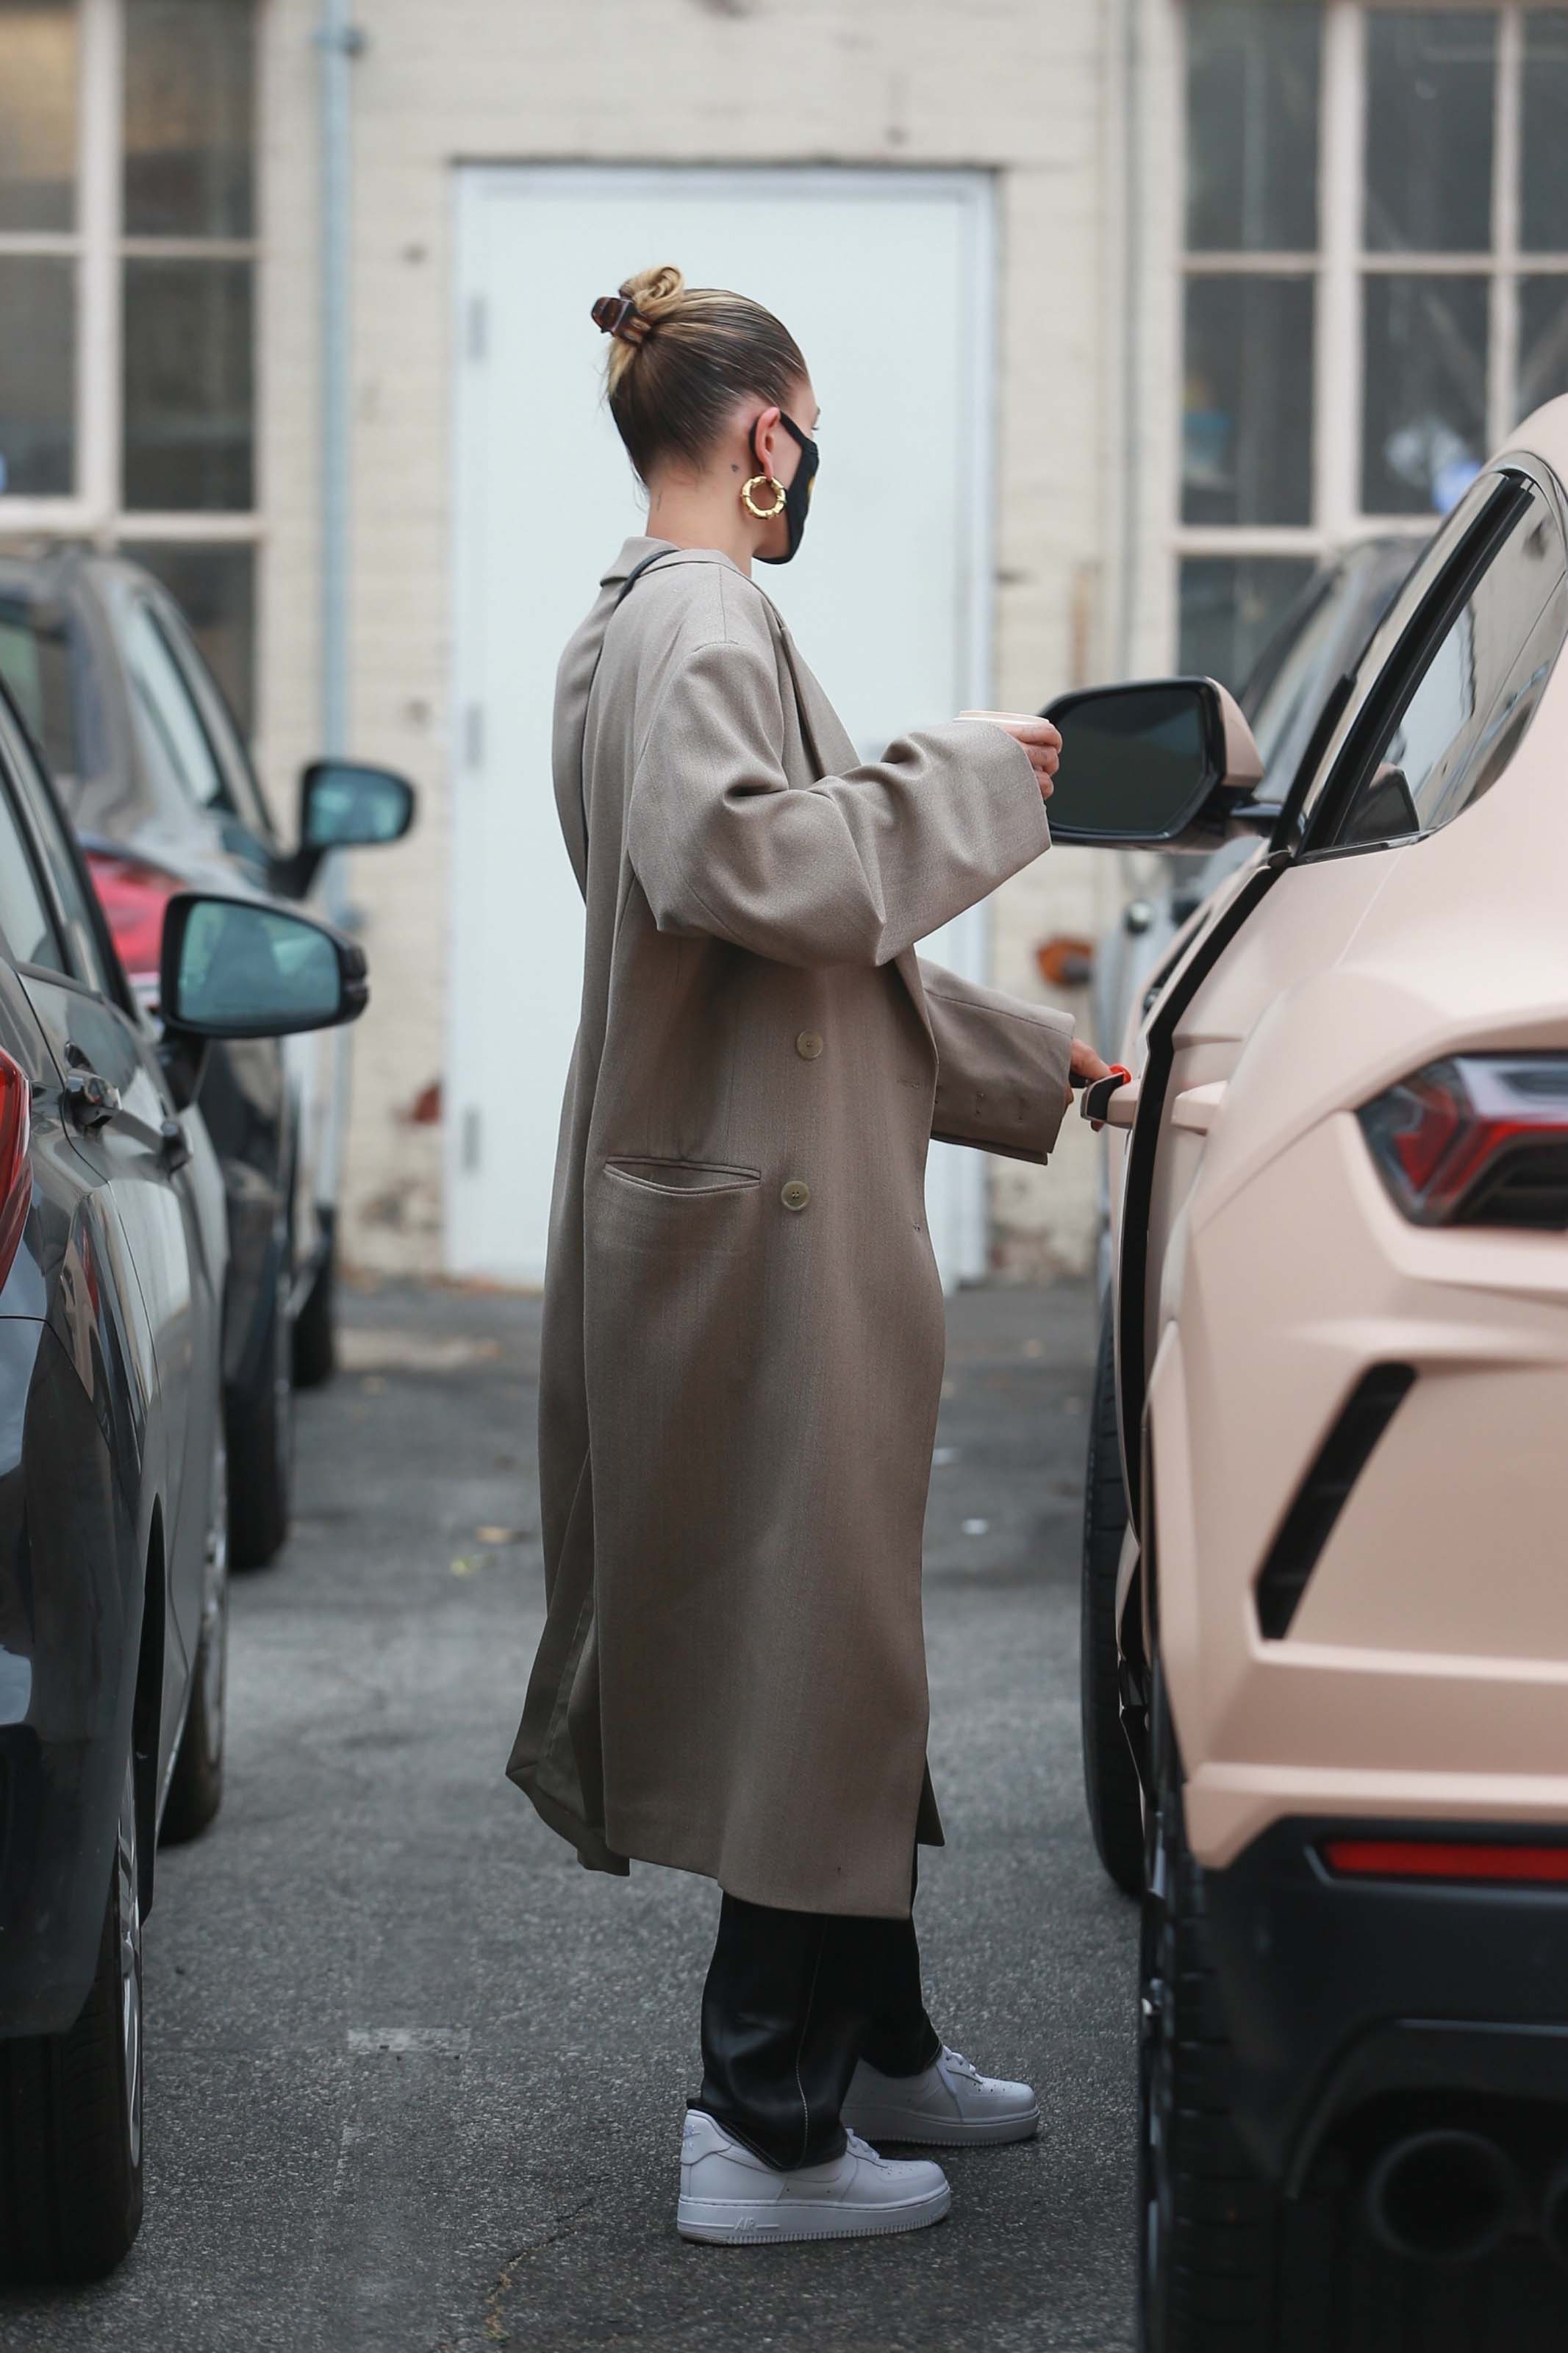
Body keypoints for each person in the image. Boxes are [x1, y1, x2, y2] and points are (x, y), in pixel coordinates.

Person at [506, 263, 1111, 2246]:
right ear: (768, 430)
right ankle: (759, 2129)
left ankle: (871, 2039)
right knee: (808, 1655)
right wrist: (976, 778)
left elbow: (802, 979)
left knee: (841, 1645)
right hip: (754, 1231)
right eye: (811, 426)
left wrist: (1040, 1068)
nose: (814, 456)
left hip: (746, 1194)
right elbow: (743, 864)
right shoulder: (698, 613)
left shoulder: (646, 618)